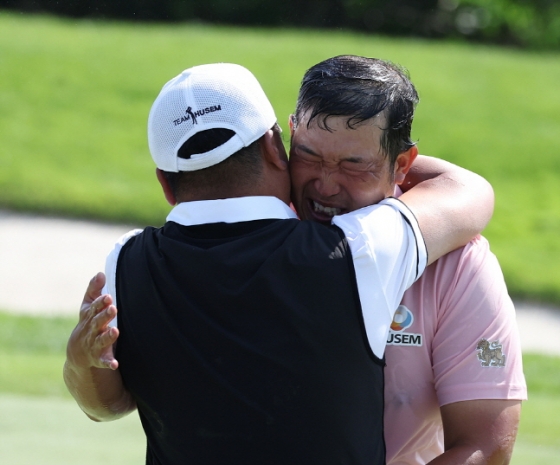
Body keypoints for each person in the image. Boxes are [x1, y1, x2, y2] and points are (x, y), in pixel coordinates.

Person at [64, 62, 493, 465]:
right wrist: (374, 159)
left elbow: (107, 405)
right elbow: (465, 191)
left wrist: (79, 362)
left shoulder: (125, 263)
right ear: (276, 148)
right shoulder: (358, 250)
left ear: (165, 184)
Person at [288, 55, 527, 464]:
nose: (325, 185)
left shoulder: (458, 265)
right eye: (309, 155)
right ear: (291, 136)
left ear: (401, 165)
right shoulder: (257, 224)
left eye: (353, 164)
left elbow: (486, 446)